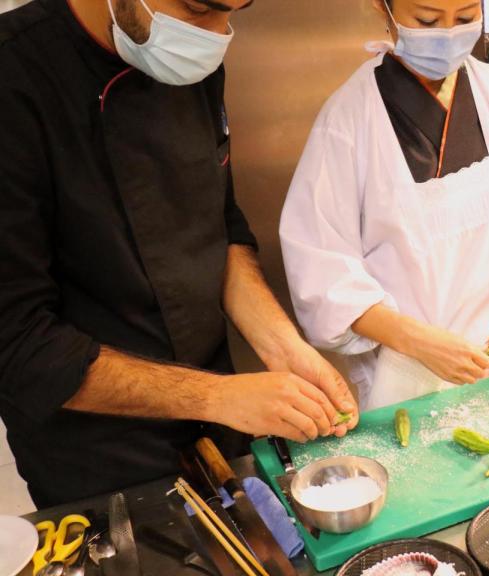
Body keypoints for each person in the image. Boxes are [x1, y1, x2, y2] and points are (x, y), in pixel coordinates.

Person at [0, 0, 359, 508]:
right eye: (197, 9)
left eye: (232, 11)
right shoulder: (15, 75)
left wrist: (284, 348)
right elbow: (17, 344)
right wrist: (216, 397)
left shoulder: (186, 55)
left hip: (221, 423)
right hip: (97, 456)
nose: (216, 34)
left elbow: (221, 228)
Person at [280, 0, 489, 410]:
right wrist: (418, 342)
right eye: (428, 20)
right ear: (385, 9)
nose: (449, 33)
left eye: (467, 17)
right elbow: (321, 276)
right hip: (404, 379)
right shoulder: (347, 121)